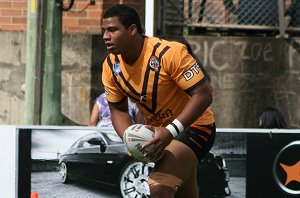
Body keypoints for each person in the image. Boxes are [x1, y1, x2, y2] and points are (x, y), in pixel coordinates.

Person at [101, 4, 215, 198]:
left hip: (194, 127)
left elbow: (204, 94)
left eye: (112, 29)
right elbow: (118, 110)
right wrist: (129, 139)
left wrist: (171, 131)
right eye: (103, 30)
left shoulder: (168, 53)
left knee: (159, 186)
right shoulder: (111, 66)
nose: (105, 36)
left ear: (132, 30)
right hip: (158, 137)